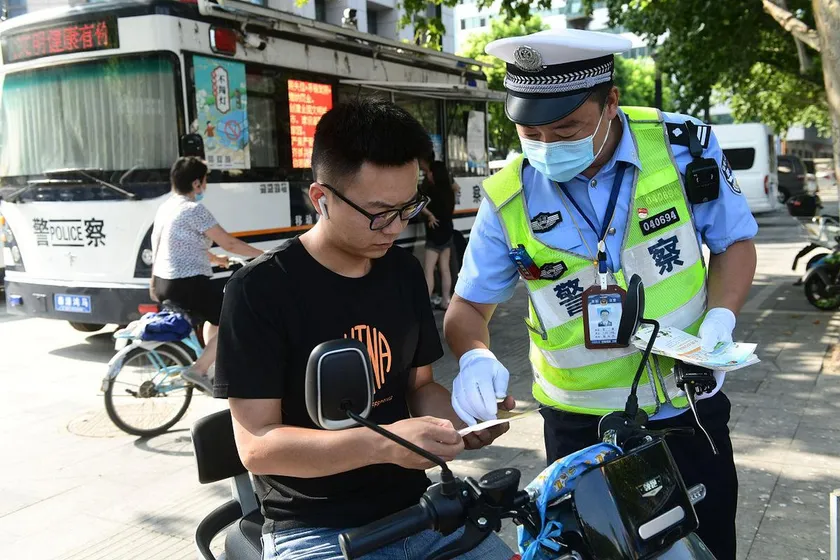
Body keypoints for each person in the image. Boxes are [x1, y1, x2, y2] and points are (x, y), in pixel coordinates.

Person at [442, 29, 758, 560]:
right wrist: (474, 356)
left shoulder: (682, 148)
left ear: (610, 101)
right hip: (576, 426)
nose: (546, 144)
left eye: (565, 126)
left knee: (705, 546)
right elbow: (469, 307)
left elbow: (734, 243)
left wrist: (720, 320)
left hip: (684, 406)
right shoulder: (507, 195)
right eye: (528, 130)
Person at [213, 99, 515, 560]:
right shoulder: (259, 291)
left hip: (419, 509)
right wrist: (387, 445)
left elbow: (419, 387)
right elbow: (257, 445)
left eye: (408, 208)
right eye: (379, 212)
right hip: (311, 528)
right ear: (321, 198)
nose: (395, 227)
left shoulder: (403, 272)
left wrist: (463, 416)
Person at [150, 156, 264, 392]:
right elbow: (230, 243)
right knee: (234, 317)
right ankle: (199, 369)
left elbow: (179, 245)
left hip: (163, 283)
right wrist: (265, 255)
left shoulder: (166, 207)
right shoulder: (194, 209)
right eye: (205, 180)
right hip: (187, 284)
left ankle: (210, 364)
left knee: (216, 317)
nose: (205, 186)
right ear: (196, 183)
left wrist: (216, 259)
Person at [419, 154, 458, 309]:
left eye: (430, 172)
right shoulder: (449, 191)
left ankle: (424, 305)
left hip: (434, 234)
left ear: (434, 174)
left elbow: (419, 204)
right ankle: (445, 300)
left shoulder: (431, 192)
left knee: (428, 269)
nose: (427, 173)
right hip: (447, 232)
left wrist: (430, 215)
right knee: (445, 268)